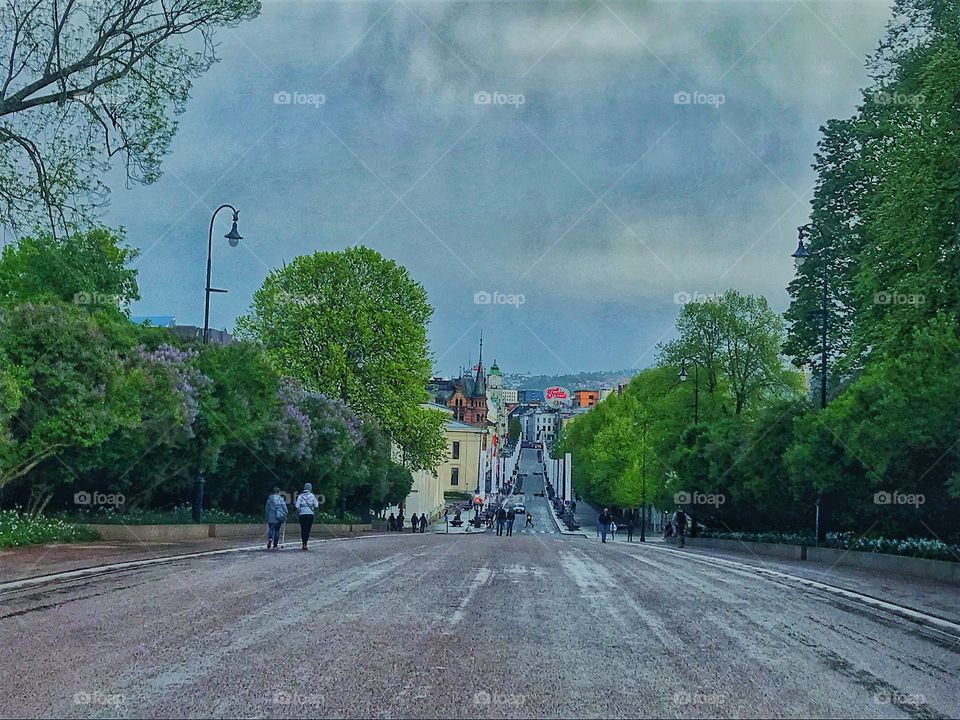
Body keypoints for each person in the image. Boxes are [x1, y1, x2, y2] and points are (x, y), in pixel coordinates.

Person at [295, 483, 319, 550]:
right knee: (308, 529)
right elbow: (316, 505)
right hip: (310, 514)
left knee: (303, 529)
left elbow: (297, 505)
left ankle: (303, 543)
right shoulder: (312, 496)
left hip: (302, 515)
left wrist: (300, 509)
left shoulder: (300, 496)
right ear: (310, 488)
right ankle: (306, 544)